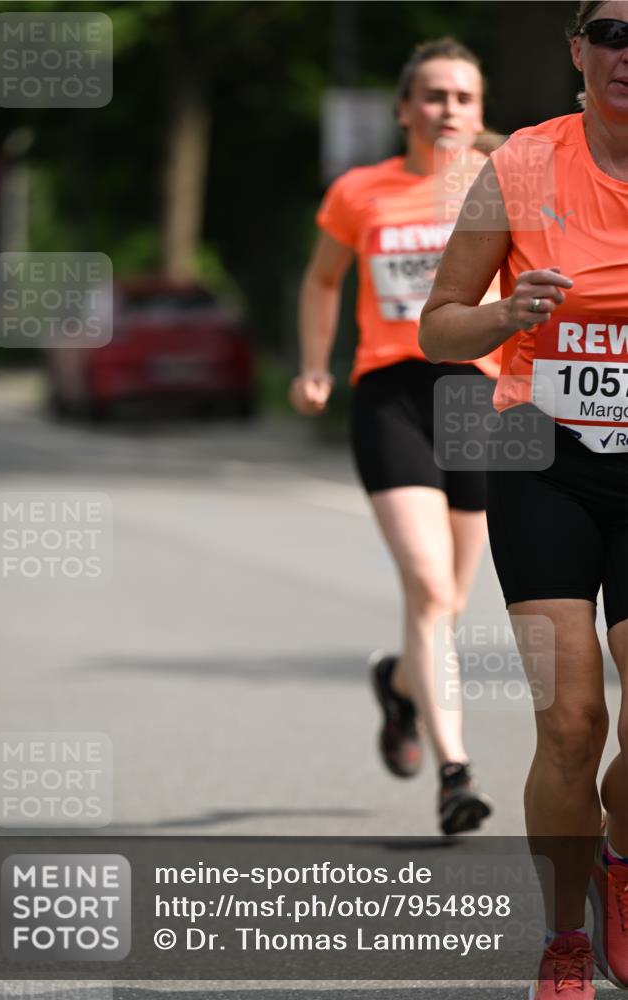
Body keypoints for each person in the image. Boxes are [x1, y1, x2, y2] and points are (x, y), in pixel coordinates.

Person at [419, 2, 628, 995]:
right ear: (578, 49)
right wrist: (505, 312)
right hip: (539, 455)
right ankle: (563, 936)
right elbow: (439, 328)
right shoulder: (522, 168)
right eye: (613, 32)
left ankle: (617, 865)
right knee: (570, 722)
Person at [289, 38, 502, 835]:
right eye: (433, 95)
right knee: (427, 588)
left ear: (479, 113)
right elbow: (320, 281)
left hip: (480, 395)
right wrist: (314, 364)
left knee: (454, 597)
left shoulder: (501, 186)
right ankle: (455, 771)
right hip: (389, 390)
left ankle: (400, 687)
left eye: (462, 98)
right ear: (403, 109)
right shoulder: (359, 191)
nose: (447, 109)